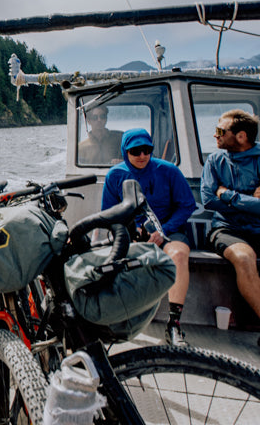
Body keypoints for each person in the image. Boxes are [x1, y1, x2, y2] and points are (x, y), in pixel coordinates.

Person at [101, 128, 196, 346]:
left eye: (147, 150)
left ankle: (174, 324)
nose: (142, 155)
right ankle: (114, 319)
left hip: (170, 231)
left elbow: (187, 206)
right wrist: (129, 236)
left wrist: (163, 232)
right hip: (132, 234)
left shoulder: (169, 171)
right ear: (126, 152)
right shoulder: (115, 175)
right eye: (136, 151)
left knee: (179, 255)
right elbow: (109, 214)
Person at [201, 109, 260, 339]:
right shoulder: (215, 161)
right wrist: (250, 200)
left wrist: (229, 196)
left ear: (242, 136)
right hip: (227, 229)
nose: (215, 136)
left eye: (219, 131)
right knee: (244, 259)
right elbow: (208, 200)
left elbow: (220, 198)